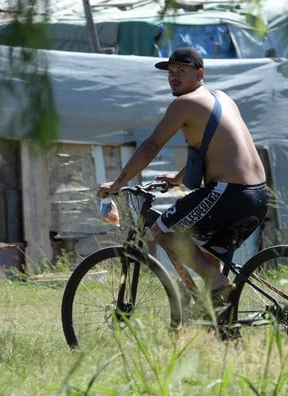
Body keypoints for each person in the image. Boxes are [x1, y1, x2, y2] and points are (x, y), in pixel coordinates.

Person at [97, 47, 269, 305]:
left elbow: (152, 145)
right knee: (206, 251)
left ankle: (217, 282)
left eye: (181, 71)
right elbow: (218, 150)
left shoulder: (184, 103)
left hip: (229, 192)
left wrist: (118, 183)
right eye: (170, 72)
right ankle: (220, 319)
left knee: (162, 229)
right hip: (257, 195)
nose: (173, 77)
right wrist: (179, 178)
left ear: (199, 74)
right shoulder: (222, 98)